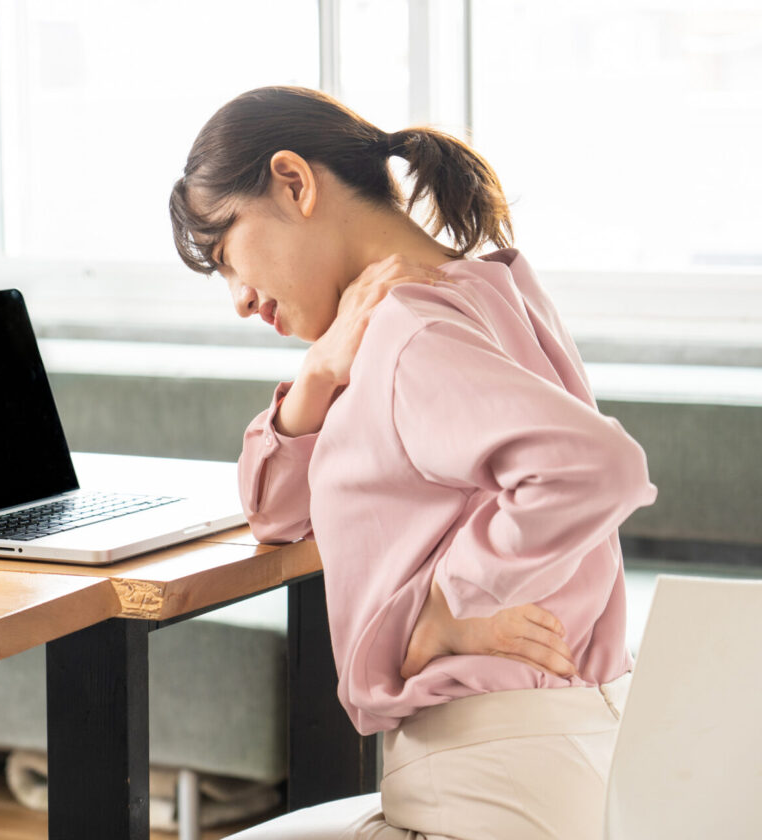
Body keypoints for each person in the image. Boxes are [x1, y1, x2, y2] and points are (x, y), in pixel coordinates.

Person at [169, 85, 659, 840]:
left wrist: (454, 601)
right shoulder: (490, 291)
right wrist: (319, 374)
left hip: (487, 784)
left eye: (225, 251)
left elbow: (600, 469)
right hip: (574, 760)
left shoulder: (408, 333)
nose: (237, 297)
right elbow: (275, 513)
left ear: (293, 182)